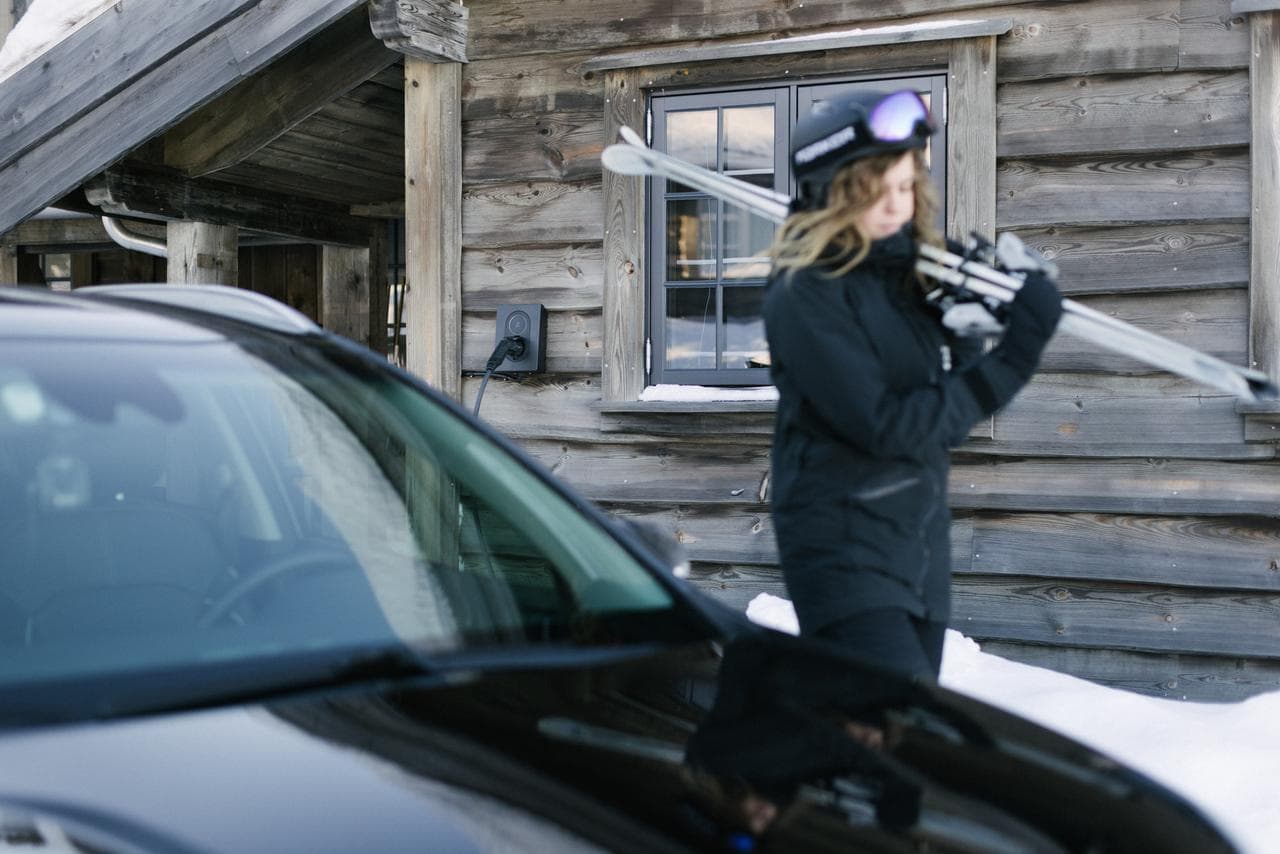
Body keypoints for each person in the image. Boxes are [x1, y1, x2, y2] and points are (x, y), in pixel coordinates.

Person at [762, 89, 1063, 680]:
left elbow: (940, 383)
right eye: (876, 190)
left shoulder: (903, 275)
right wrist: (1015, 355)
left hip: (916, 543)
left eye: (906, 186)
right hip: (842, 549)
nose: (896, 205)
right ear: (833, 189)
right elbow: (890, 426)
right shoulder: (805, 294)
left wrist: (969, 315)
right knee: (887, 736)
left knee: (899, 735)